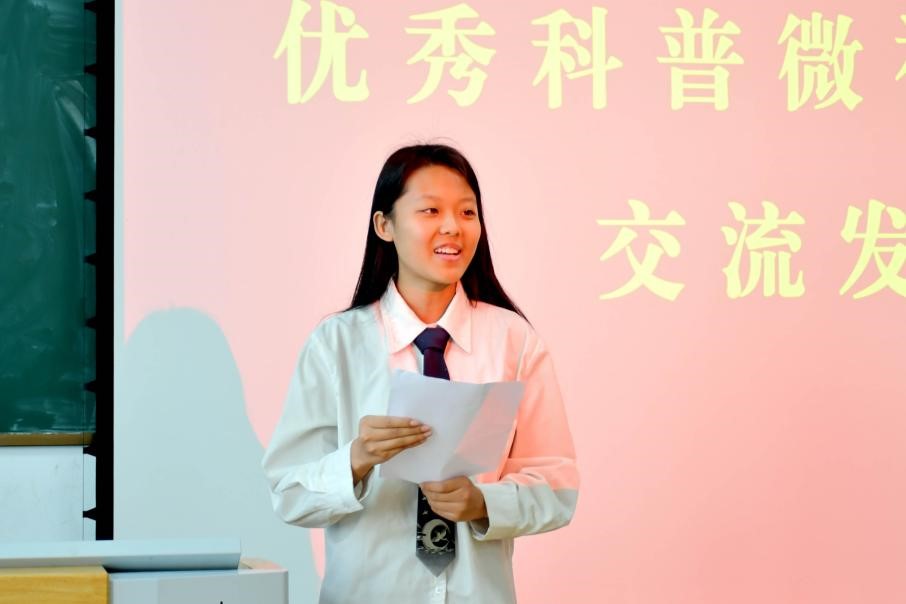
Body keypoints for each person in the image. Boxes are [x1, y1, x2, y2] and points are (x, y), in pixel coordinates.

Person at [262, 143, 578, 603]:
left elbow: (557, 485)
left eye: (467, 212)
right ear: (384, 225)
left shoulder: (513, 340)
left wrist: (483, 503)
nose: (453, 227)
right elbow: (288, 492)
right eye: (430, 210)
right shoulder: (336, 345)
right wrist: (356, 459)